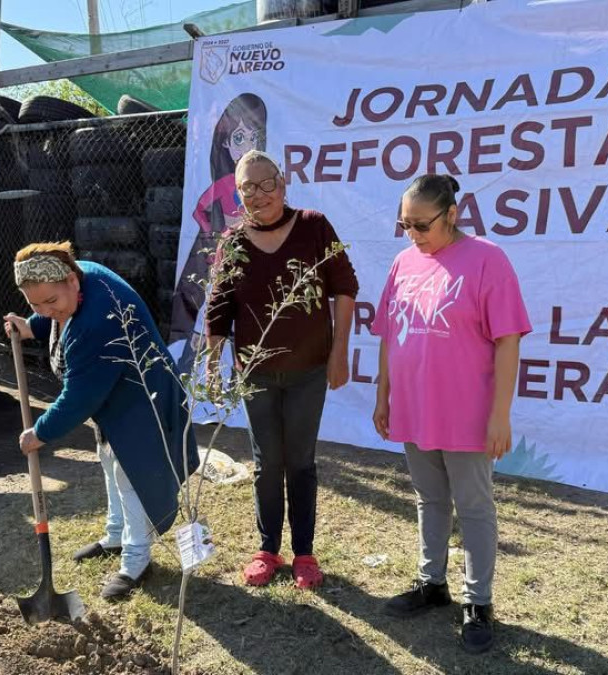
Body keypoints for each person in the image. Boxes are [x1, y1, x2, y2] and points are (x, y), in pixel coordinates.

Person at [371, 174, 531, 653]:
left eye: (422, 225)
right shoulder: (403, 262)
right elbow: (388, 334)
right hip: (416, 408)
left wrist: (500, 414)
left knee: (474, 506)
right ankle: (431, 583)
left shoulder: (488, 260)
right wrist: (384, 395)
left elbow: (508, 340)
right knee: (428, 498)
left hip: (467, 412)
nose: (413, 235)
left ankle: (478, 602)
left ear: (453, 214)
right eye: (405, 225)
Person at [4, 242, 199, 600]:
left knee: (131, 476)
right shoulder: (81, 275)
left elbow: (79, 398)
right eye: (35, 303)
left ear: (72, 281)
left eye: (51, 302)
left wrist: (40, 433)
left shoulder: (96, 322)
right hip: (116, 398)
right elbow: (53, 315)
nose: (46, 310)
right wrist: (31, 324)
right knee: (109, 464)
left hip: (142, 401)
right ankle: (115, 535)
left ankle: (136, 561)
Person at [206, 150, 359, 589]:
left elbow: (344, 288)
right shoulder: (232, 242)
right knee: (266, 462)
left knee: (300, 462)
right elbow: (218, 310)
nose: (259, 194)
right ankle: (268, 548)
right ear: (238, 195)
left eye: (266, 183)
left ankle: (304, 553)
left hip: (309, 370)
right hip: (254, 374)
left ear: (284, 181)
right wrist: (214, 369)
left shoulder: (313, 226)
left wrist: (339, 351)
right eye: (247, 187)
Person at [170, 93, 268, 348]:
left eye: (253, 137)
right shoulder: (224, 187)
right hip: (222, 258)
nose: (247, 145)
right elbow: (202, 212)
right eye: (239, 137)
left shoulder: (264, 184)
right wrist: (216, 236)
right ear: (224, 142)